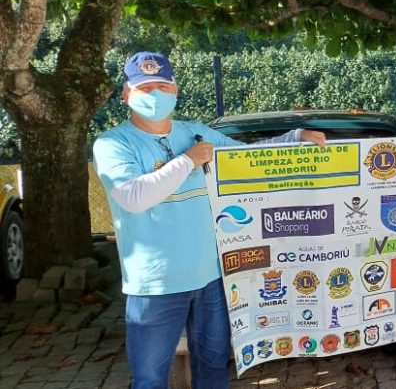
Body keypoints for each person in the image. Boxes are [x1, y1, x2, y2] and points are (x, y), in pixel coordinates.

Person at [93, 52, 326, 389]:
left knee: (214, 368)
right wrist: (188, 160)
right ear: (126, 94)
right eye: (144, 88)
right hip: (155, 285)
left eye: (162, 86)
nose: (155, 94)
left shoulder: (196, 132)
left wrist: (294, 137)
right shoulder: (113, 143)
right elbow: (134, 197)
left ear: (176, 90)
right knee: (149, 379)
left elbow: (246, 158)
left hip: (210, 277)